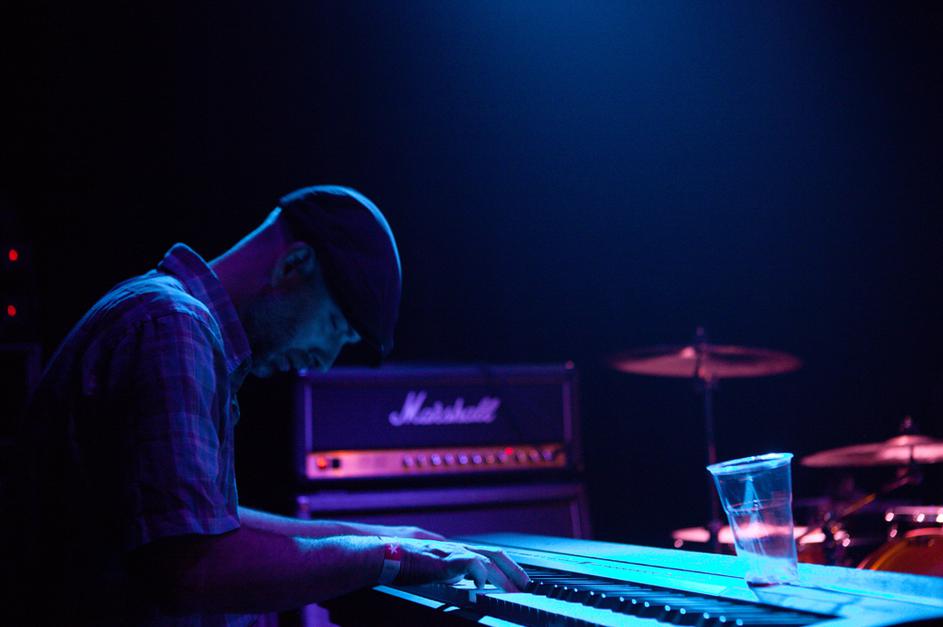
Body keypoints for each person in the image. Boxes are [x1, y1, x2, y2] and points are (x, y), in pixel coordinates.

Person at [12, 185, 529, 626]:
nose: (325, 362)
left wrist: (382, 536)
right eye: (335, 326)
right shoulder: (173, 326)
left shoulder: (170, 318)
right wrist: (387, 556)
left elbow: (204, 522)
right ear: (293, 264)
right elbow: (194, 568)